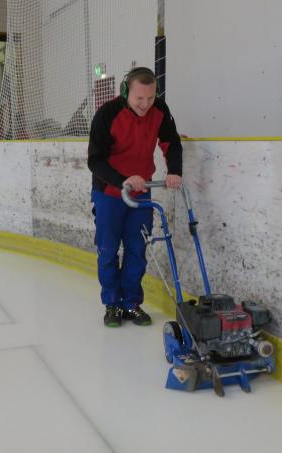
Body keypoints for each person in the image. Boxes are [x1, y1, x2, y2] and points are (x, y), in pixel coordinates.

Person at [87, 66, 183, 327]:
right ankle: (112, 304)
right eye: (140, 98)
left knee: (137, 250)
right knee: (108, 250)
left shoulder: (160, 111)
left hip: (141, 193)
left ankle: (131, 303)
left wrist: (174, 170)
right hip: (109, 192)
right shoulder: (107, 114)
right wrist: (122, 180)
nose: (145, 104)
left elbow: (171, 142)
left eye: (150, 98)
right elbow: (95, 160)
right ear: (126, 91)